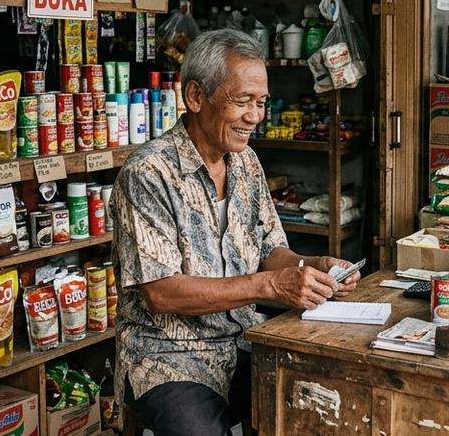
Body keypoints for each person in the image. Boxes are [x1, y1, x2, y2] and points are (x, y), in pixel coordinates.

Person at [111, 29, 360, 436]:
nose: (255, 116)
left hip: (243, 341)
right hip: (169, 357)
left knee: (316, 404)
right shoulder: (148, 173)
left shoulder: (246, 165)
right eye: (242, 101)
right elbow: (162, 293)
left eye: (260, 102)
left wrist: (312, 267)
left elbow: (270, 249)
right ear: (195, 97)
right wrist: (270, 285)